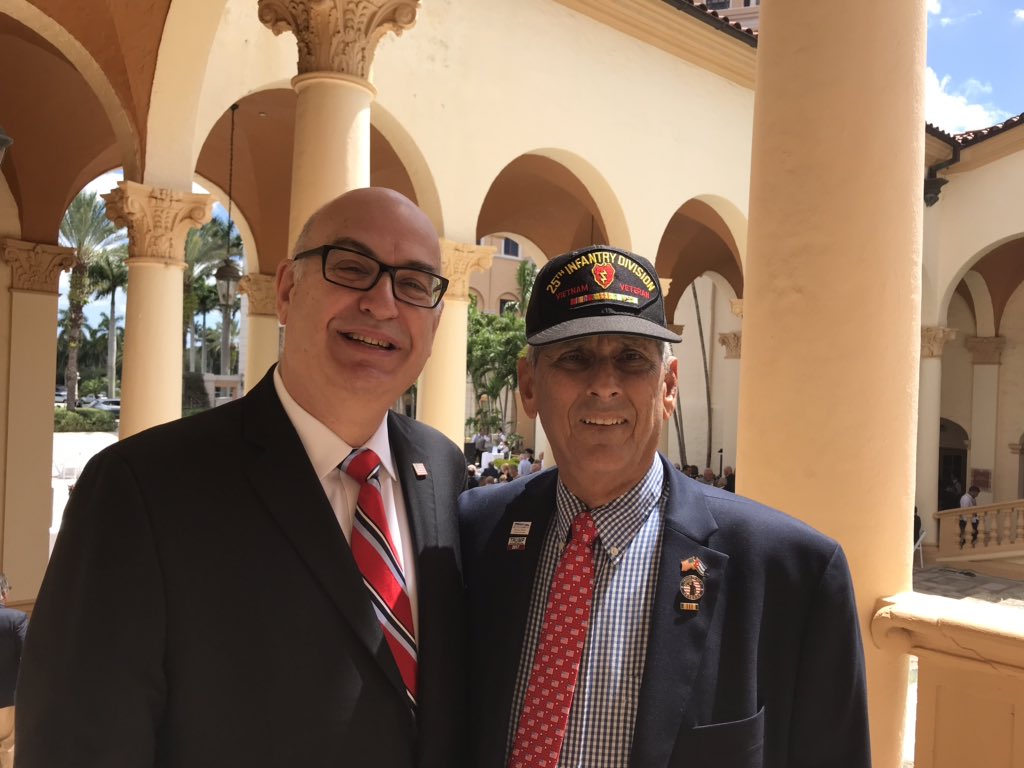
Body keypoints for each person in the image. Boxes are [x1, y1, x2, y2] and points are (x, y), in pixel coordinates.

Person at [18, 188, 469, 768]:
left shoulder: (443, 472)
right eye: (352, 268)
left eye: (413, 284)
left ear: (435, 321)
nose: (382, 304)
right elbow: (77, 744)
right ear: (286, 291)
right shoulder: (141, 489)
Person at [459, 245, 870, 768]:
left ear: (669, 385)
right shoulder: (477, 533)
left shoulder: (793, 574)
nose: (604, 385)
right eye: (574, 357)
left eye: (631, 358)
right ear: (529, 385)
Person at [0, 575, 27, 768]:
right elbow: (28, 657)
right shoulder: (17, 619)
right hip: (7, 699)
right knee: (8, 749)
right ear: (3, 593)